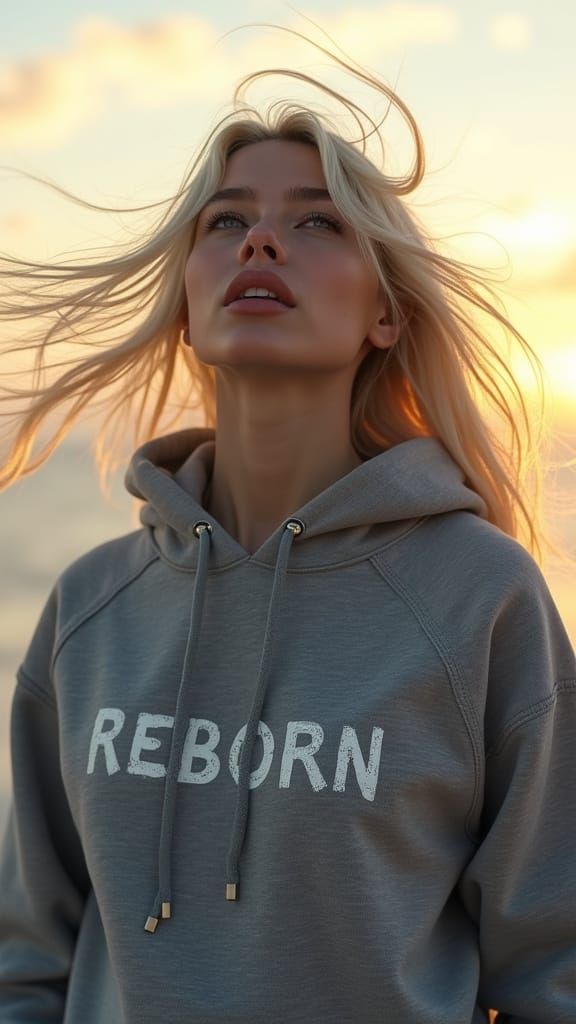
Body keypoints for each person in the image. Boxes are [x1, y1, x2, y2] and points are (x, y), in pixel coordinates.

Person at [0, 24, 575, 1024]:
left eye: (317, 224)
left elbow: (553, 968)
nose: (260, 241)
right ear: (186, 302)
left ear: (385, 314)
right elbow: (26, 961)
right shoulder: (93, 608)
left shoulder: (480, 599)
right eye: (226, 223)